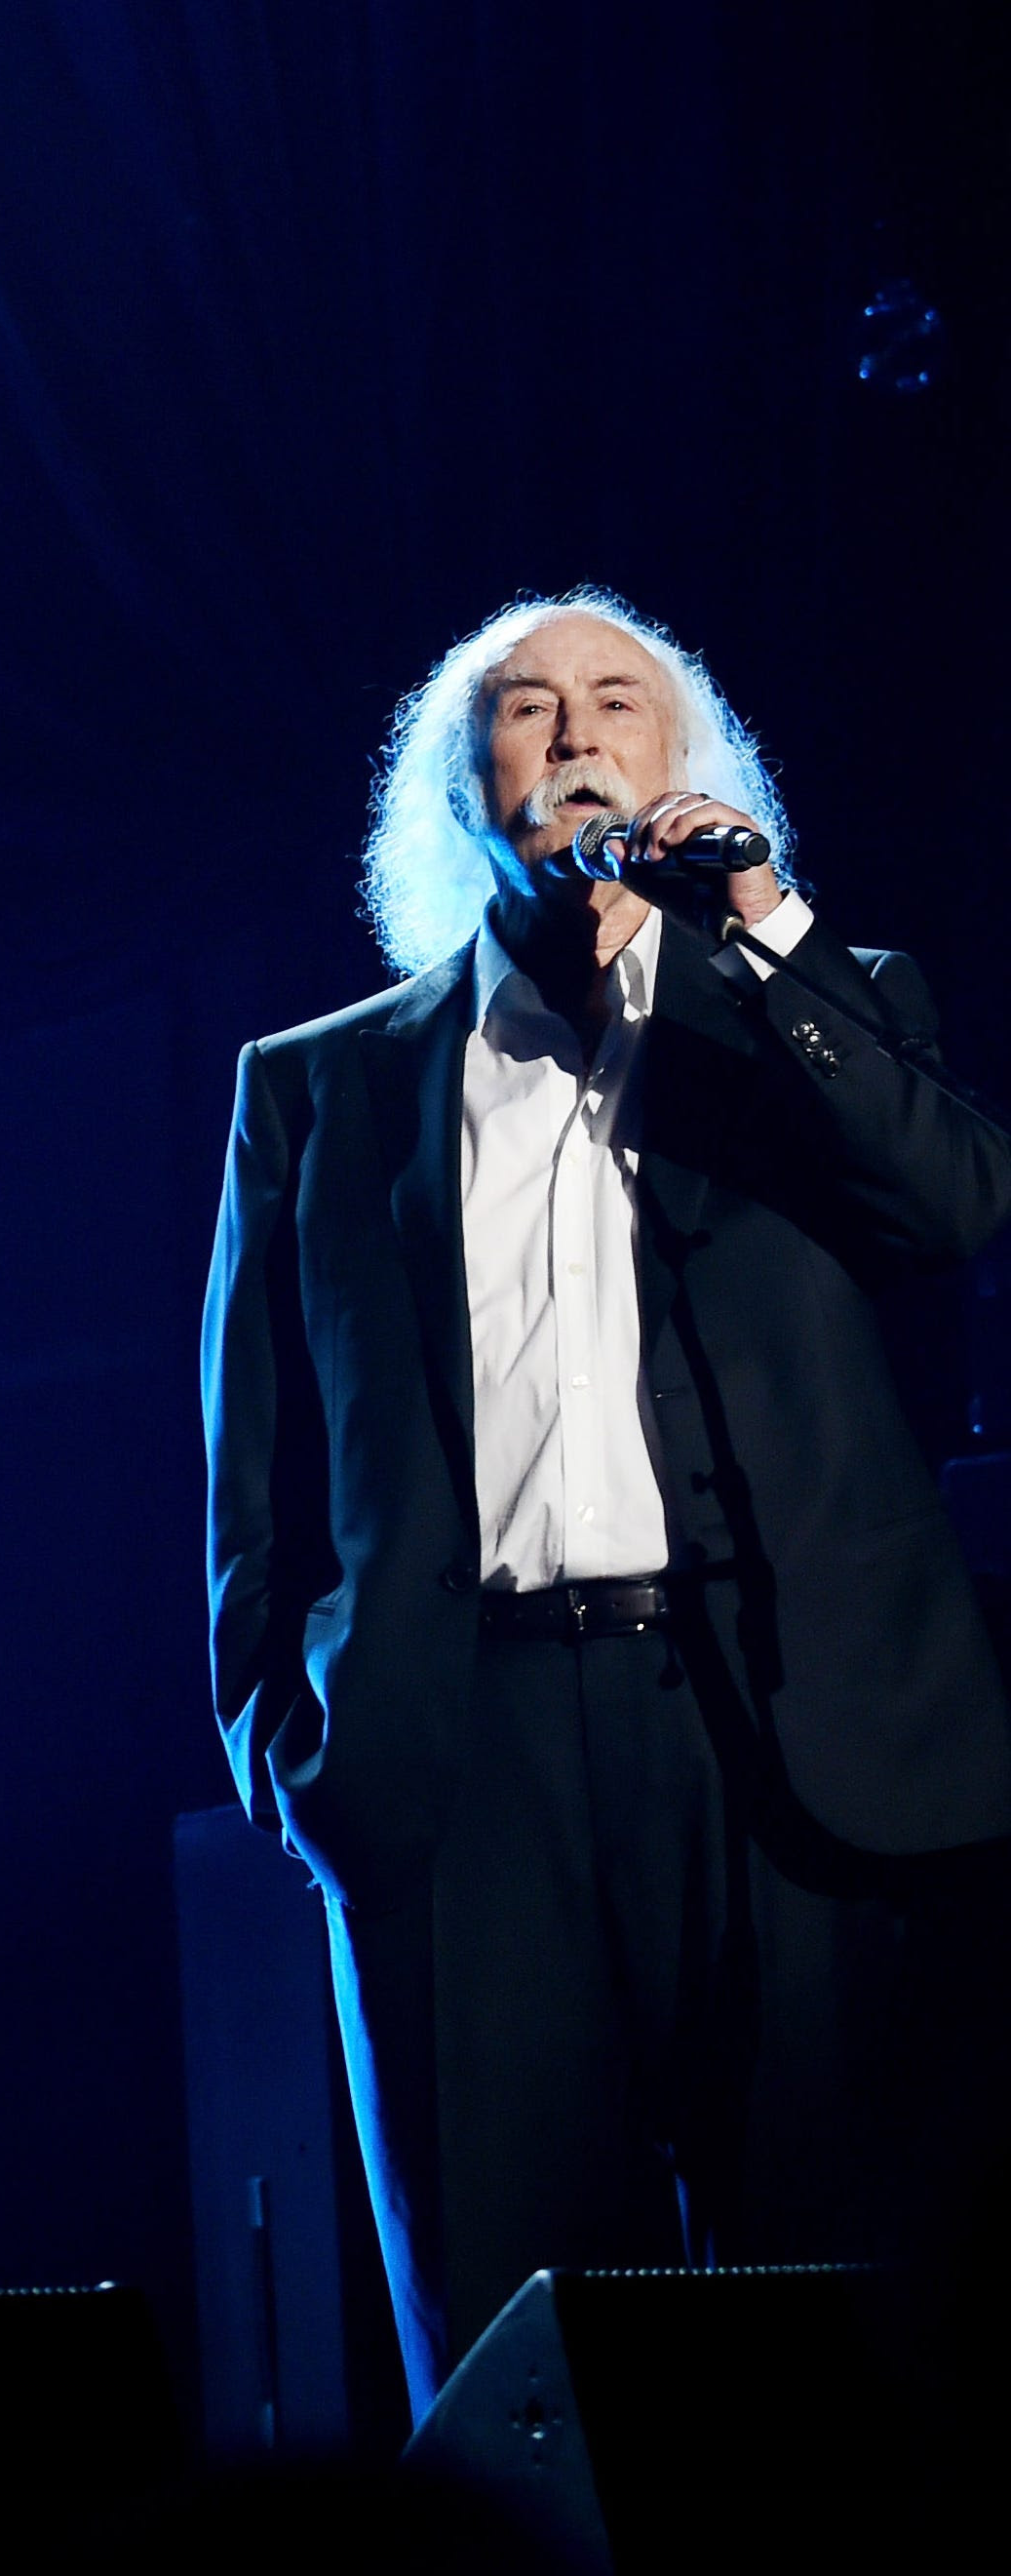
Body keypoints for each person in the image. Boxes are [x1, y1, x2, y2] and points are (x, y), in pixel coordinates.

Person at [202, 586, 1011, 2409]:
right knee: (508, 2375)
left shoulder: (816, 1016)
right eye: (527, 707)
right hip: (455, 1755)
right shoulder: (321, 1089)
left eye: (618, 702)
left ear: (681, 765)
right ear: (461, 780)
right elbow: (255, 1479)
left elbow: (951, 1206)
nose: (574, 734)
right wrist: (292, 1743)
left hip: (780, 1740)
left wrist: (763, 926)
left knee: (827, 2347)